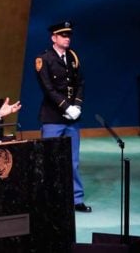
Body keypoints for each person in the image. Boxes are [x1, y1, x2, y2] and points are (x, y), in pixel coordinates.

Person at [35, 21, 91, 212]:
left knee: (73, 161)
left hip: (71, 119)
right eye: (63, 36)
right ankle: (50, 198)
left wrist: (77, 106)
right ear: (54, 38)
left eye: (69, 36)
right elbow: (48, 88)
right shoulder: (44, 59)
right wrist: (66, 106)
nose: (67, 39)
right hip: (52, 117)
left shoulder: (73, 58)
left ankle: (76, 199)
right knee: (50, 159)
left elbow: (80, 84)